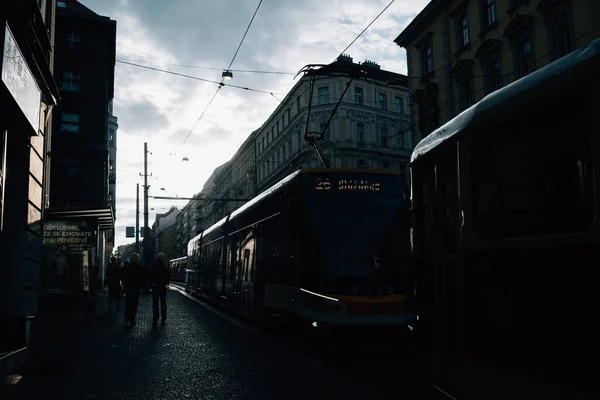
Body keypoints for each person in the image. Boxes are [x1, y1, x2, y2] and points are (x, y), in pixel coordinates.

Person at [123, 253, 146, 326]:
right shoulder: (140, 267)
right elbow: (143, 278)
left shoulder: (127, 267)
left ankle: (127, 317)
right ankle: (132, 319)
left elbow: (124, 278)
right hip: (136, 288)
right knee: (134, 304)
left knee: (128, 303)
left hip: (128, 288)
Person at [149, 252, 171, 326]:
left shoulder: (154, 266)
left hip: (155, 287)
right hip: (162, 287)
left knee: (155, 303)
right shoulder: (164, 266)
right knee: (163, 302)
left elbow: (150, 276)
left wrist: (152, 284)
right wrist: (166, 283)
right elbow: (167, 275)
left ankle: (155, 318)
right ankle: (163, 317)